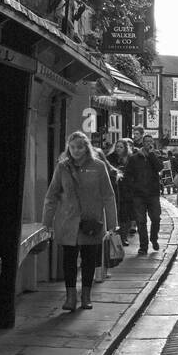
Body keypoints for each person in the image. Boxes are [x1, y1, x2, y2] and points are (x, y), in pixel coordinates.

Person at [42, 131, 119, 311]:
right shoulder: (62, 167)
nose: (76, 150)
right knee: (68, 259)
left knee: (89, 259)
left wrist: (112, 223)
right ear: (68, 147)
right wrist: (46, 223)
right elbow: (51, 196)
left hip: (91, 221)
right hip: (68, 221)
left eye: (80, 147)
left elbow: (108, 195)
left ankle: (86, 296)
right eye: (73, 147)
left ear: (86, 148)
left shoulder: (98, 166)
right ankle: (70, 297)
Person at [125, 136, 164, 254]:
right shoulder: (134, 158)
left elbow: (159, 167)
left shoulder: (156, 156)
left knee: (156, 218)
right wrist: (132, 188)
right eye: (146, 142)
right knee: (141, 221)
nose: (148, 144)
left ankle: (154, 238)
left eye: (150, 142)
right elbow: (128, 174)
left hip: (153, 194)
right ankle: (143, 246)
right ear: (143, 143)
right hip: (138, 195)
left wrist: (152, 155)